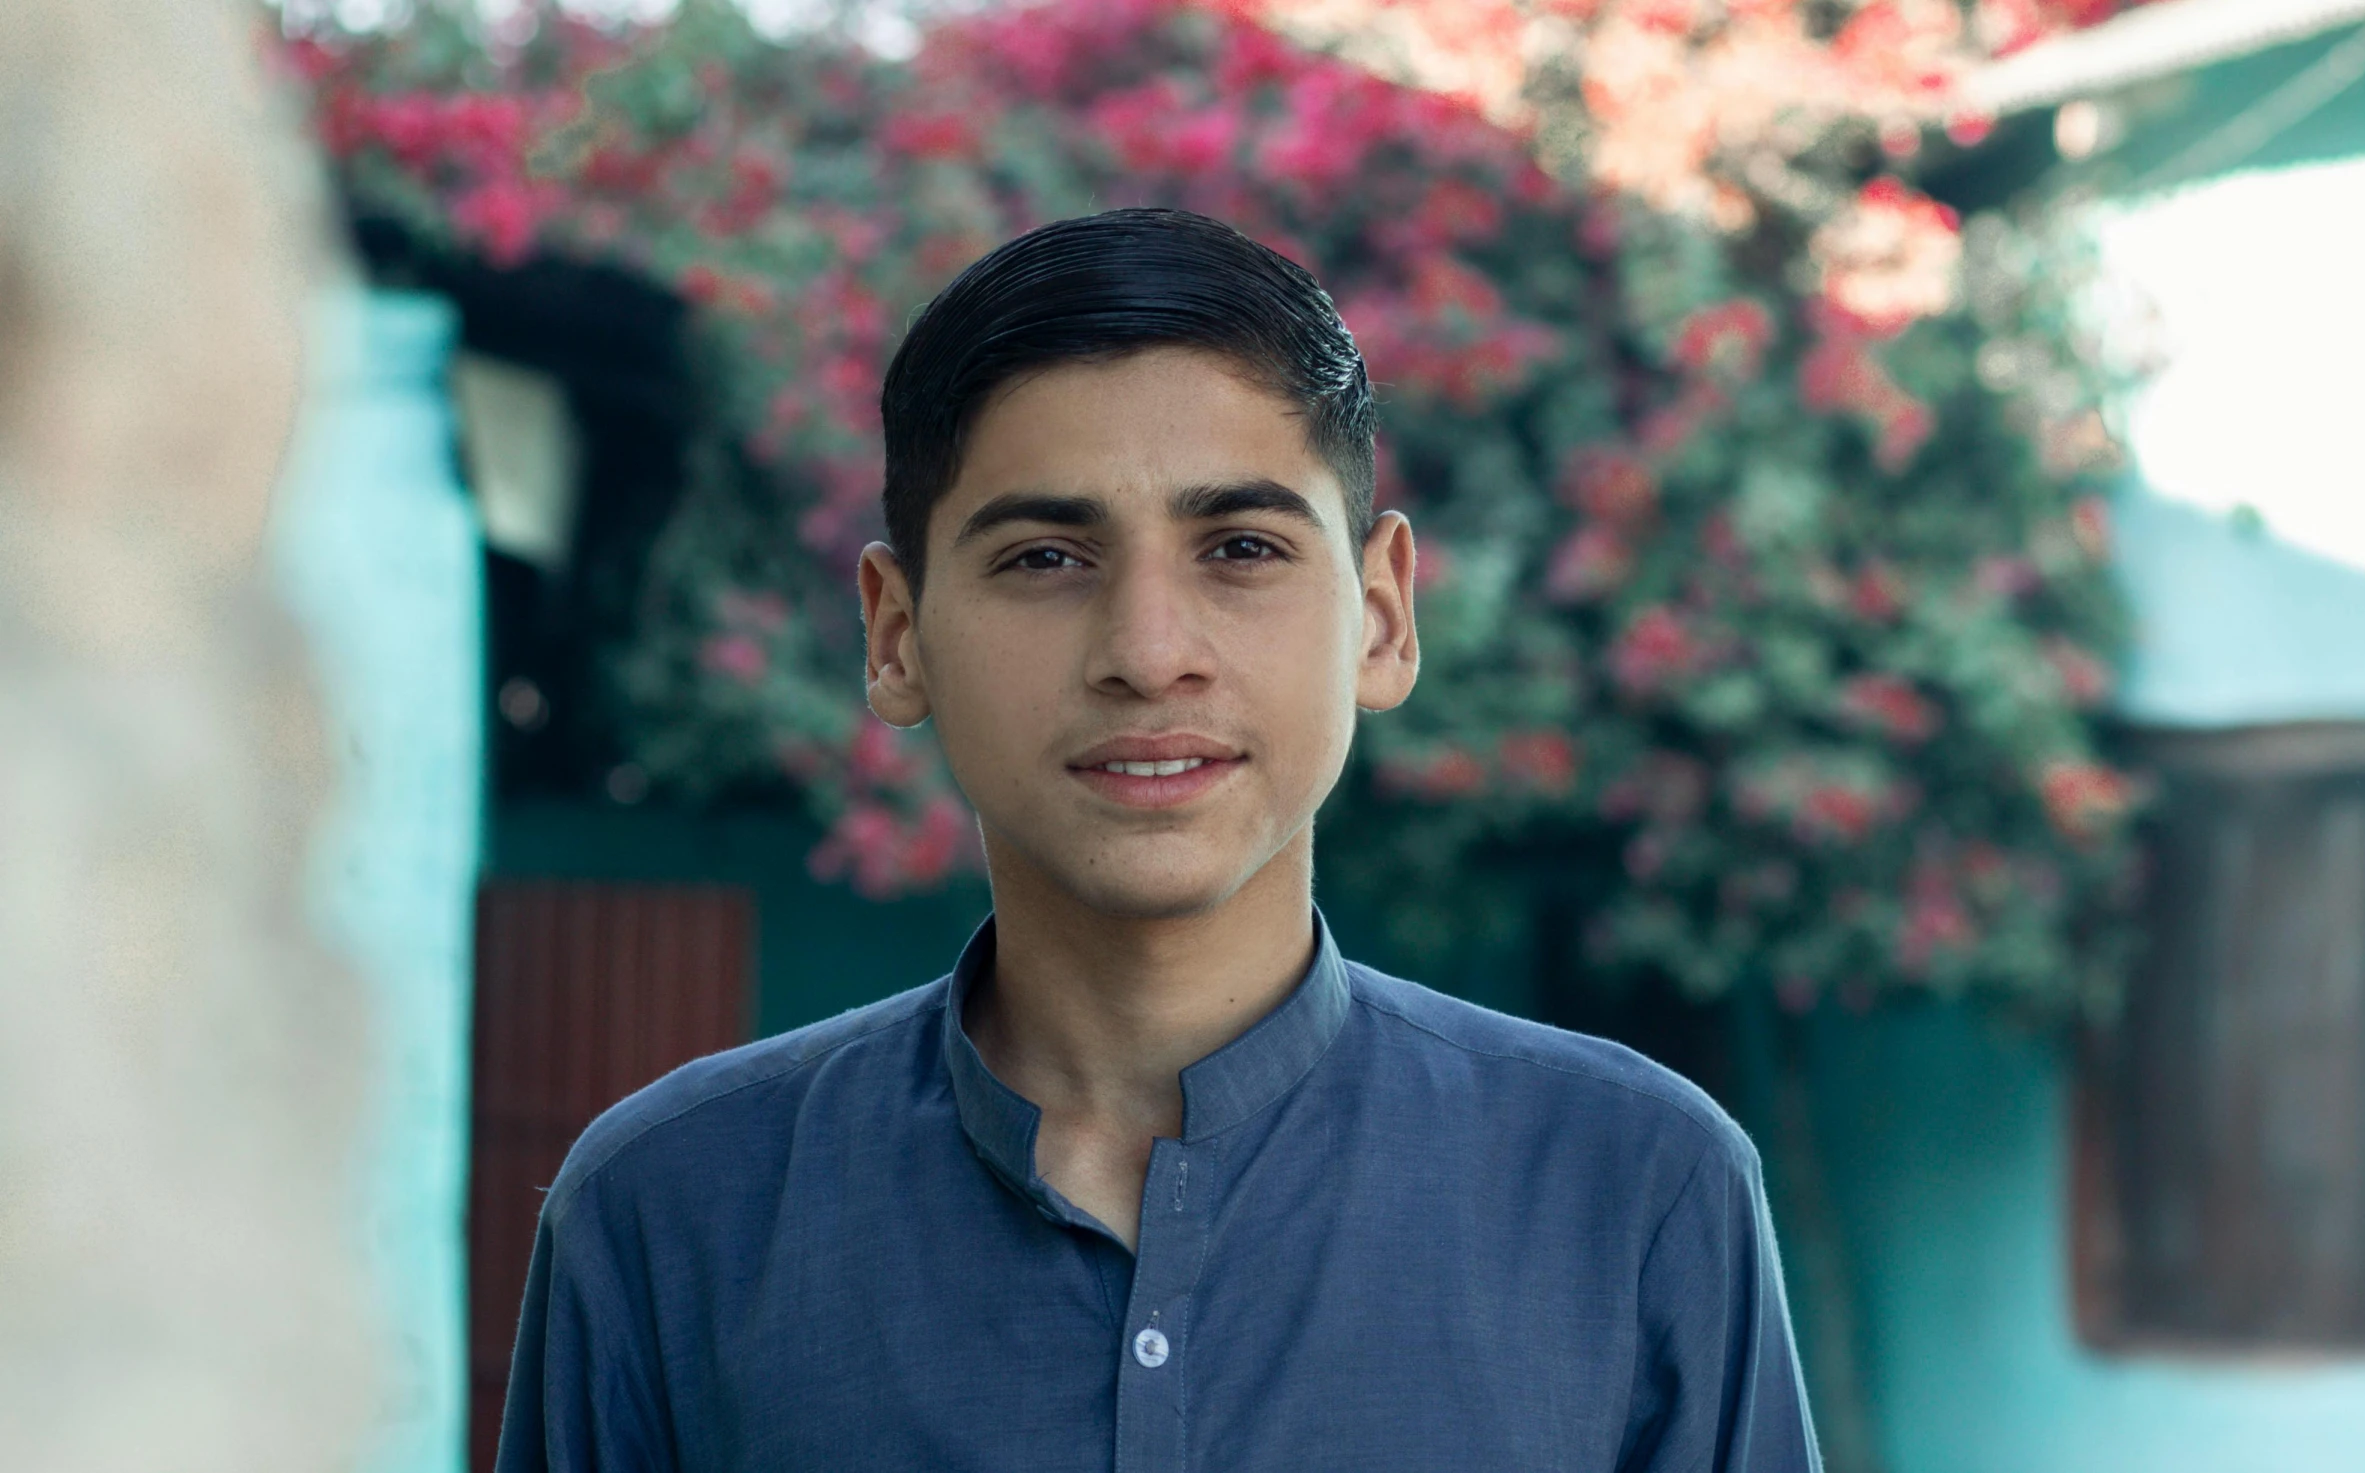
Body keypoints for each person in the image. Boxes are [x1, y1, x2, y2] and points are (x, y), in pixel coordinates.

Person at [497, 207, 1818, 1472]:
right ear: (897, 634)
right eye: (1045, 559)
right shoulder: (669, 1213)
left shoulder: (1636, 1191)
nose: (1147, 654)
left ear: (1379, 615)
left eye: (1239, 546)